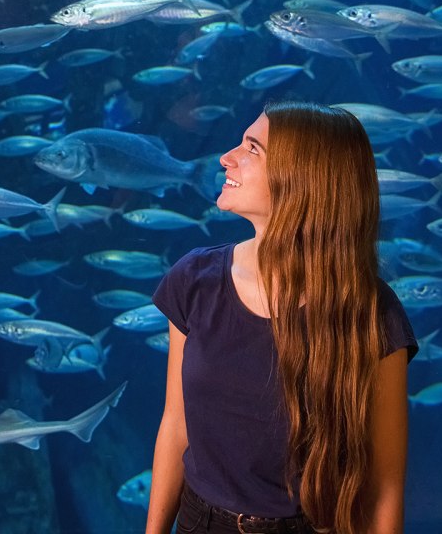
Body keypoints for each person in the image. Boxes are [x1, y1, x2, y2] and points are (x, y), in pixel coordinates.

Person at [146, 101, 417, 534]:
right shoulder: (193, 281)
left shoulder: (373, 315)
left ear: (303, 180)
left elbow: (384, 485)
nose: (226, 157)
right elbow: (175, 425)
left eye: (252, 148)